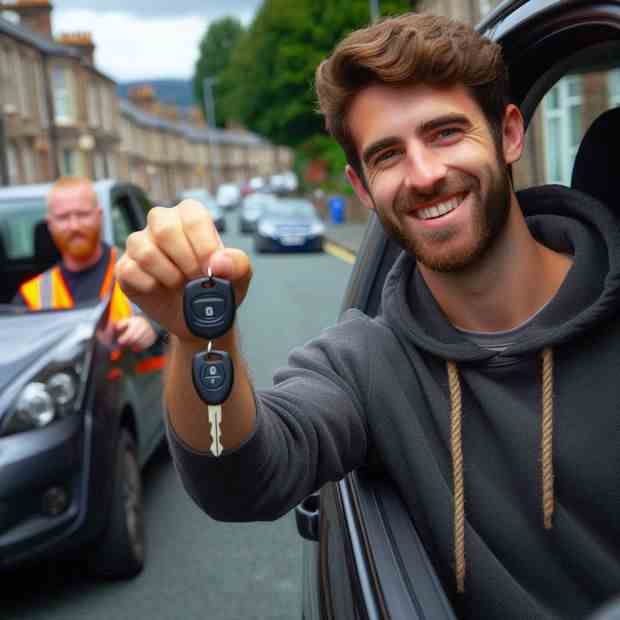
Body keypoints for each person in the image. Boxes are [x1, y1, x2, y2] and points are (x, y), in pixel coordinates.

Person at [116, 13, 620, 620]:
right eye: (388, 155)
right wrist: (199, 334)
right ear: (360, 186)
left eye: (445, 133)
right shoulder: (365, 364)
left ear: (509, 134)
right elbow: (237, 478)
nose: (425, 174)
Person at [16, 176, 158, 352]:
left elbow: (179, 327)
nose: (74, 226)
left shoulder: (141, 269)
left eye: (82, 214)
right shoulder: (30, 296)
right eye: (63, 217)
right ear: (50, 224)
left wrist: (151, 329)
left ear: (99, 216)